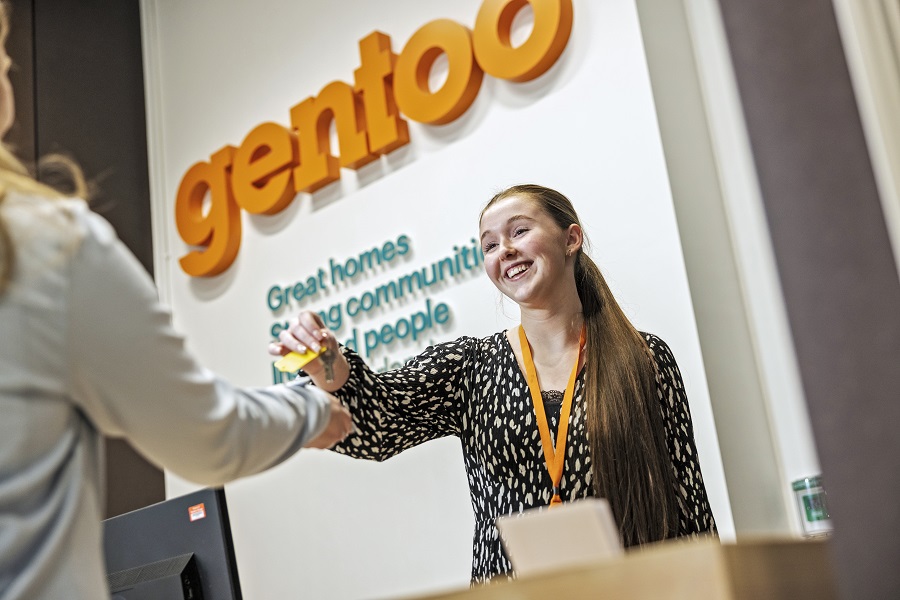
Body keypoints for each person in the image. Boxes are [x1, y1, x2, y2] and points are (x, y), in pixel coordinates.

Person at [0, 5, 353, 599]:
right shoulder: (47, 247)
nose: (11, 67)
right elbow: (209, 438)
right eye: (4, 54)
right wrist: (312, 408)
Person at [273, 183, 718, 582]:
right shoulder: (471, 367)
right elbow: (379, 426)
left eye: (519, 231)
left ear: (571, 239)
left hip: (629, 588)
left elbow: (689, 503)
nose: (503, 249)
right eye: (489, 244)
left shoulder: (644, 357)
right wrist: (329, 364)